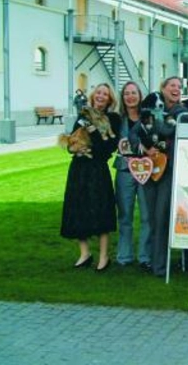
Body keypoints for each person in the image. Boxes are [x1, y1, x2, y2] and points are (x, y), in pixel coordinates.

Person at [130, 77, 187, 277]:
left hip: (168, 171)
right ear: (162, 88)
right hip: (149, 170)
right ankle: (153, 261)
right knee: (152, 218)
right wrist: (145, 148)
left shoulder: (180, 111)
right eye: (172, 86)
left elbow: (167, 129)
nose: (176, 89)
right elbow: (133, 133)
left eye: (179, 87)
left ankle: (160, 266)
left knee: (162, 218)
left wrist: (154, 122)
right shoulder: (150, 109)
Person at [60, 83, 121, 272]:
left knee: (100, 211)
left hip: (97, 169)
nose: (101, 96)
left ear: (110, 99)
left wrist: (94, 136)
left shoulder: (113, 119)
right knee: (78, 208)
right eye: (98, 93)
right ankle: (84, 253)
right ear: (93, 96)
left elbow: (110, 146)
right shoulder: (83, 114)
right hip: (79, 168)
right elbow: (72, 139)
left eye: (105, 94)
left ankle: (104, 257)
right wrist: (74, 148)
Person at [113, 81, 151, 270]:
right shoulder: (117, 119)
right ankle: (124, 255)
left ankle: (145, 256)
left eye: (133, 93)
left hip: (145, 170)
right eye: (126, 93)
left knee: (146, 216)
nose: (130, 96)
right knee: (125, 215)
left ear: (139, 95)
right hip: (124, 171)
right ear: (123, 97)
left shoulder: (148, 118)